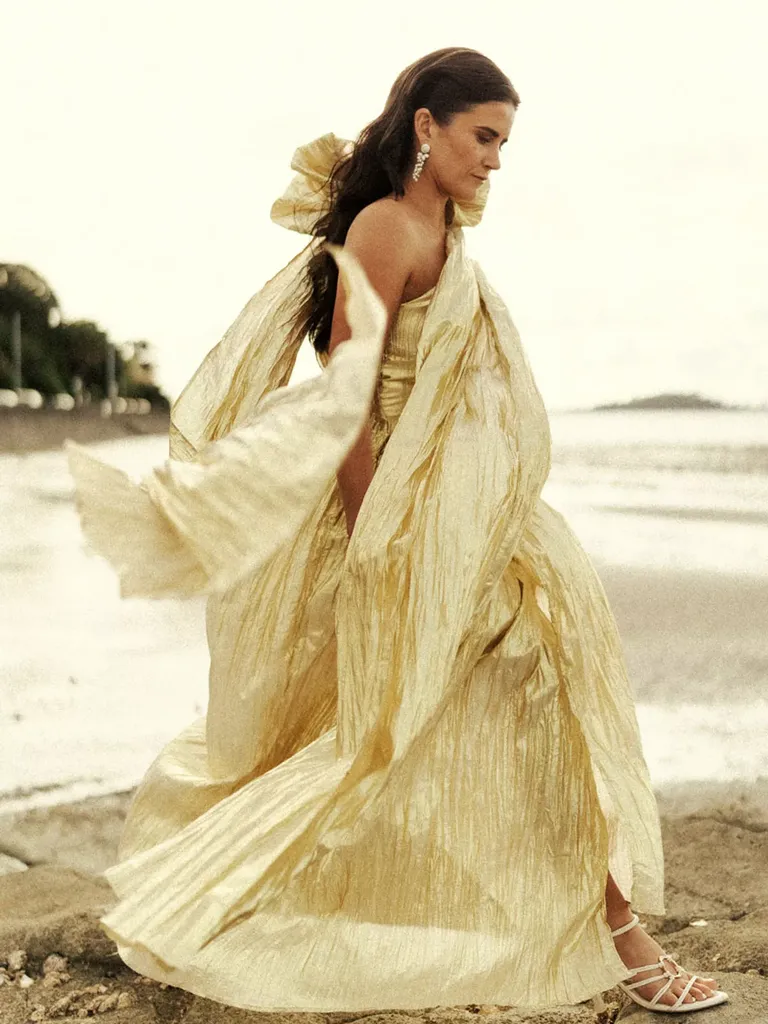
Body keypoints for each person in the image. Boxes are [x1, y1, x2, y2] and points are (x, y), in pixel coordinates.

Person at [65, 47, 728, 1016]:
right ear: (428, 125)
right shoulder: (388, 227)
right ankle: (624, 944)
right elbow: (346, 396)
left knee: (502, 711)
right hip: (390, 523)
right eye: (484, 136)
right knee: (391, 736)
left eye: (506, 141)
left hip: (459, 526)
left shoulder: (442, 228)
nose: (497, 159)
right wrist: (385, 539)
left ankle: (615, 936)